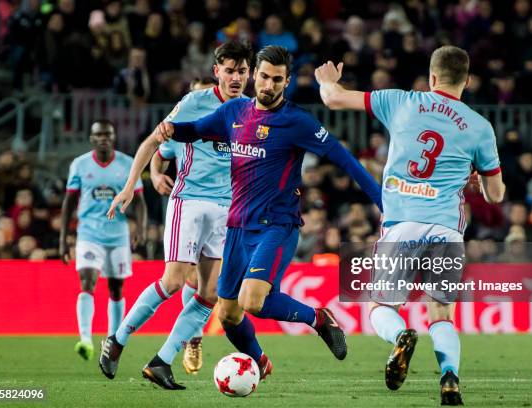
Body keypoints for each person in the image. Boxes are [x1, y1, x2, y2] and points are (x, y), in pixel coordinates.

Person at [106, 45, 383, 384]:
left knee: (252, 300)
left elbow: (348, 163)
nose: (268, 85)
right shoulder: (235, 111)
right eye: (264, 77)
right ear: (256, 75)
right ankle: (258, 362)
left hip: (276, 226)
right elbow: (194, 129)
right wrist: (170, 132)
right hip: (236, 225)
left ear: (287, 82)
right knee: (227, 313)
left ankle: (318, 318)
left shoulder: (297, 122)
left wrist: (385, 205)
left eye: (277, 80)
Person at [315, 45, 506, 406]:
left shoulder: (401, 101)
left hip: (402, 225)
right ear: (466, 81)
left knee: (381, 308)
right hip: (448, 230)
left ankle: (401, 335)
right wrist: (482, 180)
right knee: (441, 312)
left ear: (431, 77)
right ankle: (450, 379)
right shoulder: (480, 127)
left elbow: (334, 99)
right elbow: (495, 196)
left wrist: (327, 81)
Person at [99, 41, 252, 389]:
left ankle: (162, 361)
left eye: (242, 71)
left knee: (210, 293)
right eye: (229, 70)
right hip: (190, 202)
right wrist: (131, 184)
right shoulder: (194, 104)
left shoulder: (250, 110)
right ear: (217, 72)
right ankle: (118, 339)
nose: (236, 77)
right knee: (173, 281)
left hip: (227, 210)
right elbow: (154, 143)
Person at [59, 119, 147, 361]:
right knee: (87, 281)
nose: (103, 138)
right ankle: (85, 339)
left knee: (116, 289)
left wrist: (140, 227)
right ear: (91, 138)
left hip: (117, 235)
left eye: (107, 134)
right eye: (98, 135)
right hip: (88, 234)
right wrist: (63, 238)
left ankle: (111, 340)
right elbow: (68, 202)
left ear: (113, 137)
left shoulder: (128, 164)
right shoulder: (80, 164)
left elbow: (139, 201)